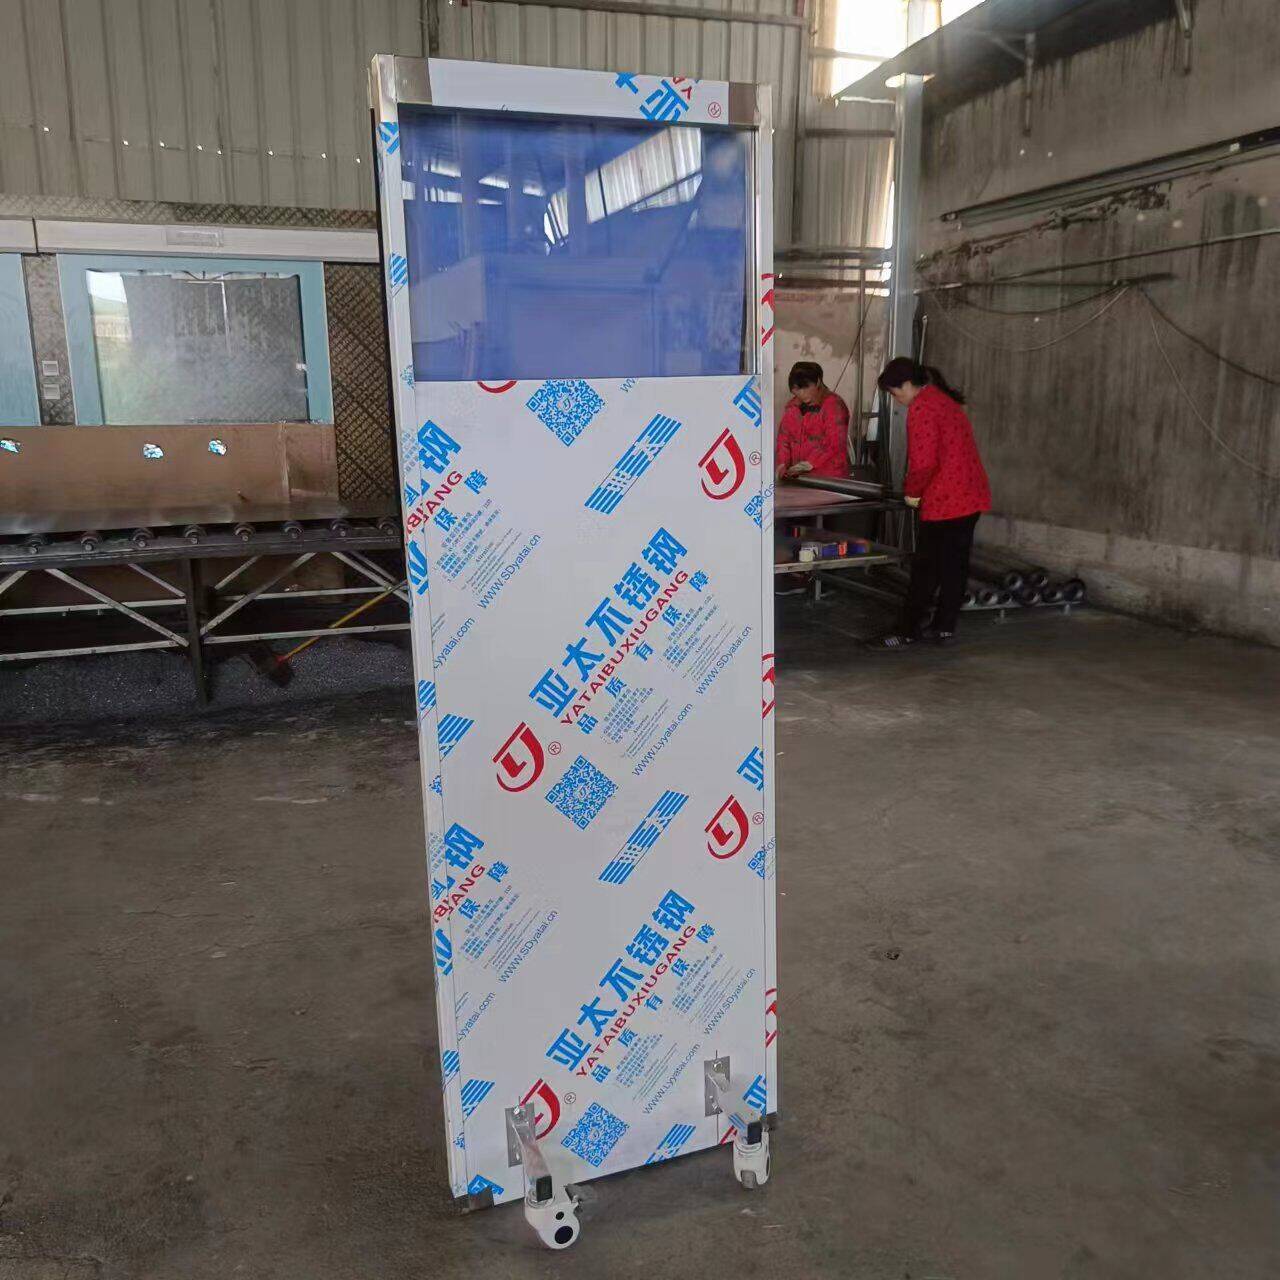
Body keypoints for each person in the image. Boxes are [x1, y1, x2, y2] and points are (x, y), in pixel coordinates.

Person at [867, 357, 991, 649]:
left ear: (908, 384)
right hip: (970, 496)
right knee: (955, 566)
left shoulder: (922, 408)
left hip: (946, 499)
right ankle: (945, 627)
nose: (897, 400)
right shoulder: (945, 401)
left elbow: (923, 463)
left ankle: (907, 630)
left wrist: (912, 491)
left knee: (925, 568)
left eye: (895, 393)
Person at [775, 361, 851, 481]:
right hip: (800, 478)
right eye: (797, 389)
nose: (802, 393)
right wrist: (782, 463)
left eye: (806, 387)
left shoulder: (834, 406)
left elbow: (834, 442)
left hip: (830, 479)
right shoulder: (792, 408)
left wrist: (811, 463)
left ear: (818, 382)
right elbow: (784, 440)